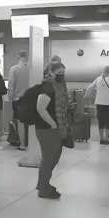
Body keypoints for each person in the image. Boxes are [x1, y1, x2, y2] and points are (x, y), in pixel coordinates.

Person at [35, 62, 68, 199]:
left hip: (54, 127)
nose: (61, 75)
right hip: (47, 129)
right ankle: (43, 187)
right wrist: (53, 124)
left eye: (63, 72)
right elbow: (40, 107)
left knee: (54, 156)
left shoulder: (58, 86)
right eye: (59, 72)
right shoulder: (47, 86)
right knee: (49, 158)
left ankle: (43, 184)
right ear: (51, 72)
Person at [86, 66, 109, 145]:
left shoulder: (98, 79)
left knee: (100, 121)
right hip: (108, 103)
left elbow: (90, 87)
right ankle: (105, 139)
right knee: (107, 121)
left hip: (99, 103)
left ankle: (101, 139)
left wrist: (86, 95)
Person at [8, 50, 30, 151]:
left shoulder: (14, 69)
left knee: (20, 122)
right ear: (27, 57)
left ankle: (22, 144)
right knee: (30, 121)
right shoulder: (32, 68)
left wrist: (10, 97)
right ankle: (30, 142)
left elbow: (11, 84)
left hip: (18, 98)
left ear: (18, 56)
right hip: (30, 98)